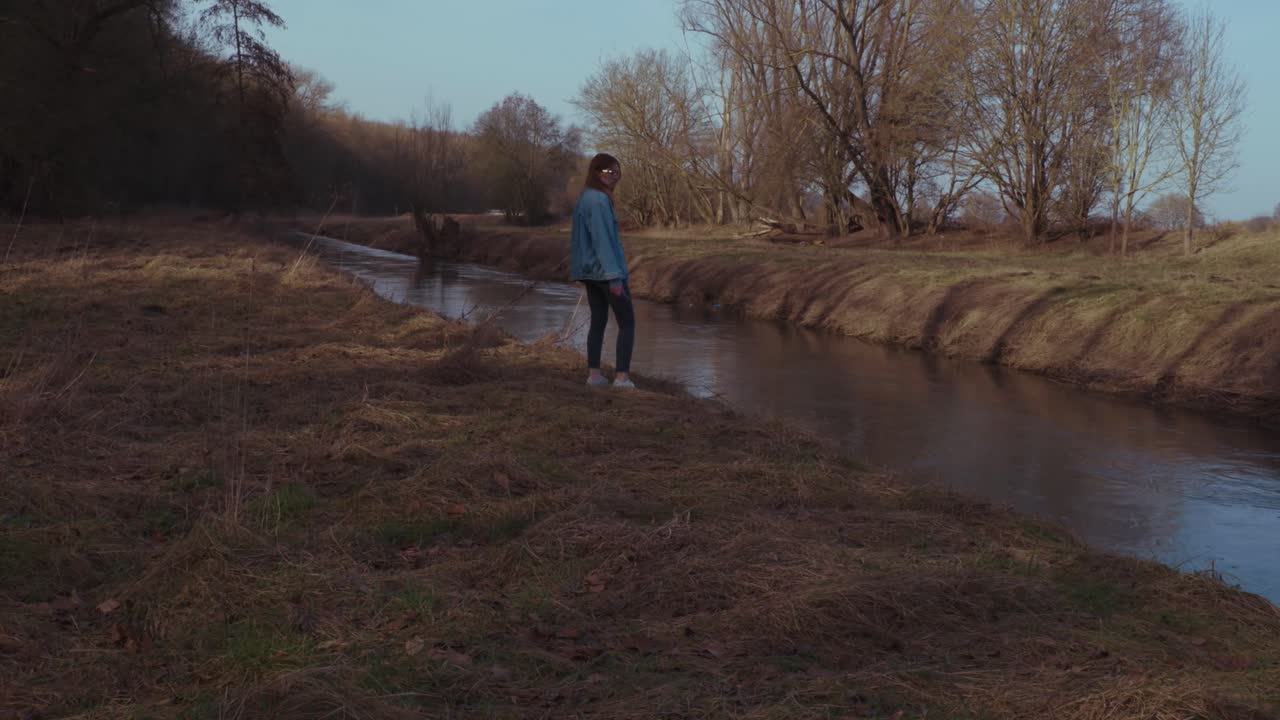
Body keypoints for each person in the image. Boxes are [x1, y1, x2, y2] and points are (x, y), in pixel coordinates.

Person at [570, 153, 636, 390]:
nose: (614, 177)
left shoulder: (585, 198)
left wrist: (580, 271)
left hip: (590, 272)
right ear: (597, 172)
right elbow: (602, 241)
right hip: (605, 273)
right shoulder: (598, 200)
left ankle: (594, 375)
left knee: (598, 321)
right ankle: (622, 378)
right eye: (609, 172)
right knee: (627, 322)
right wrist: (614, 276)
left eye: (617, 173)